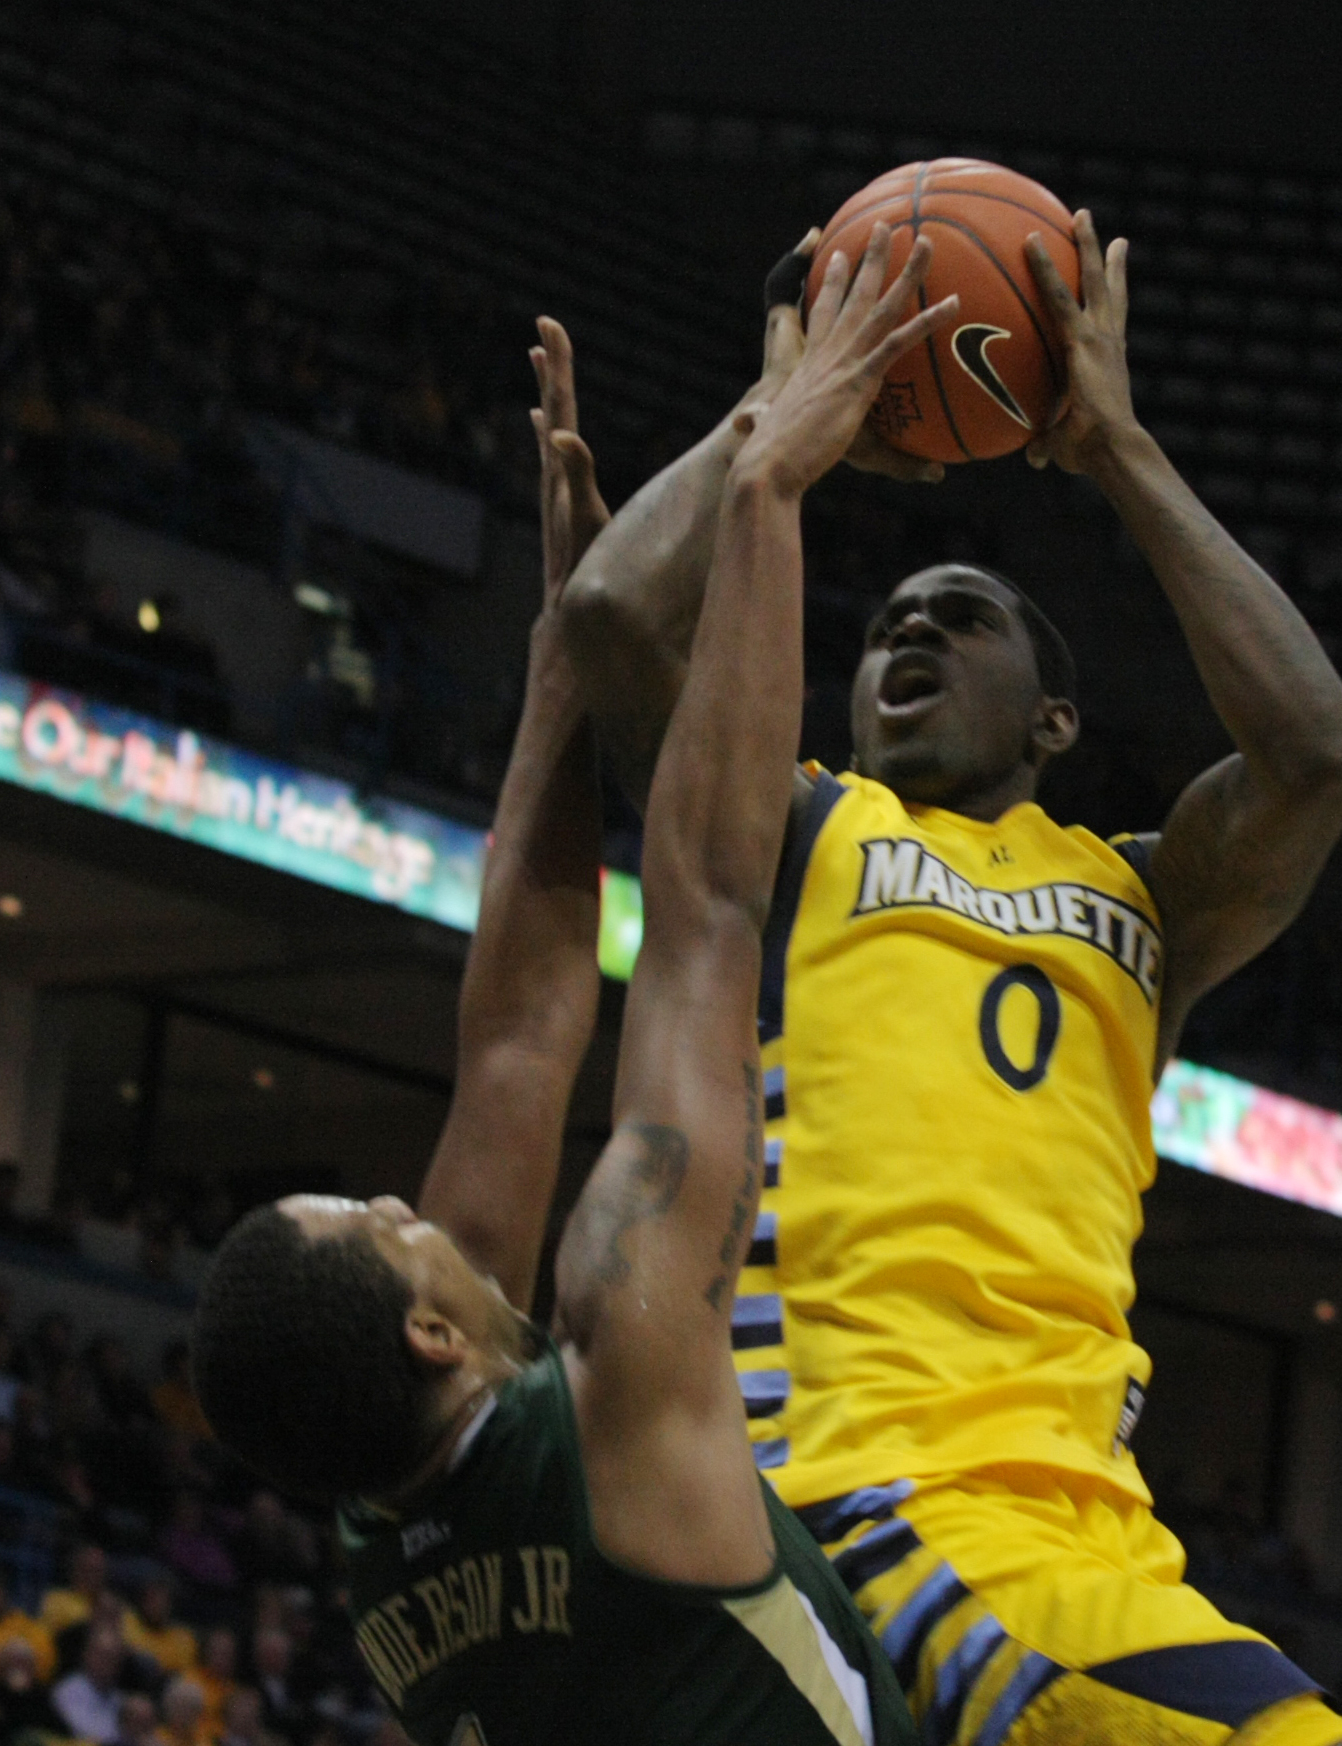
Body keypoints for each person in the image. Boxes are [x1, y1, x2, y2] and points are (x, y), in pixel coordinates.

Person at [558, 213, 1342, 1746]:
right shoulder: (797, 827)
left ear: (1055, 719)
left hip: (1093, 1530)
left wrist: (1116, 449)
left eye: (961, 615)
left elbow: (1318, 755)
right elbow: (608, 616)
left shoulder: (1145, 894)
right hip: (869, 1492)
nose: (910, 629)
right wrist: (776, 410)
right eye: (883, 627)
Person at [191, 236, 957, 1745]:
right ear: (428, 1334)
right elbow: (707, 921)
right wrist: (768, 484)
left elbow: (520, 1041)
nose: (404, 1203)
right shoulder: (623, 1392)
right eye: (381, 1224)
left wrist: (562, 659)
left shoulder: (383, 1530)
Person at [52, 1624, 126, 1743]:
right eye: (103, 1655)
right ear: (87, 1655)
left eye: (114, 1657)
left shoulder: (118, 1698)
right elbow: (85, 1733)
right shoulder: (67, 1691)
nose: (108, 1662)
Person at [123, 1578, 197, 1679]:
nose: (156, 1605)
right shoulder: (127, 1622)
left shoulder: (183, 1638)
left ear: (170, 1604)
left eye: (162, 1600)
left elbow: (184, 1675)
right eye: (151, 1599)